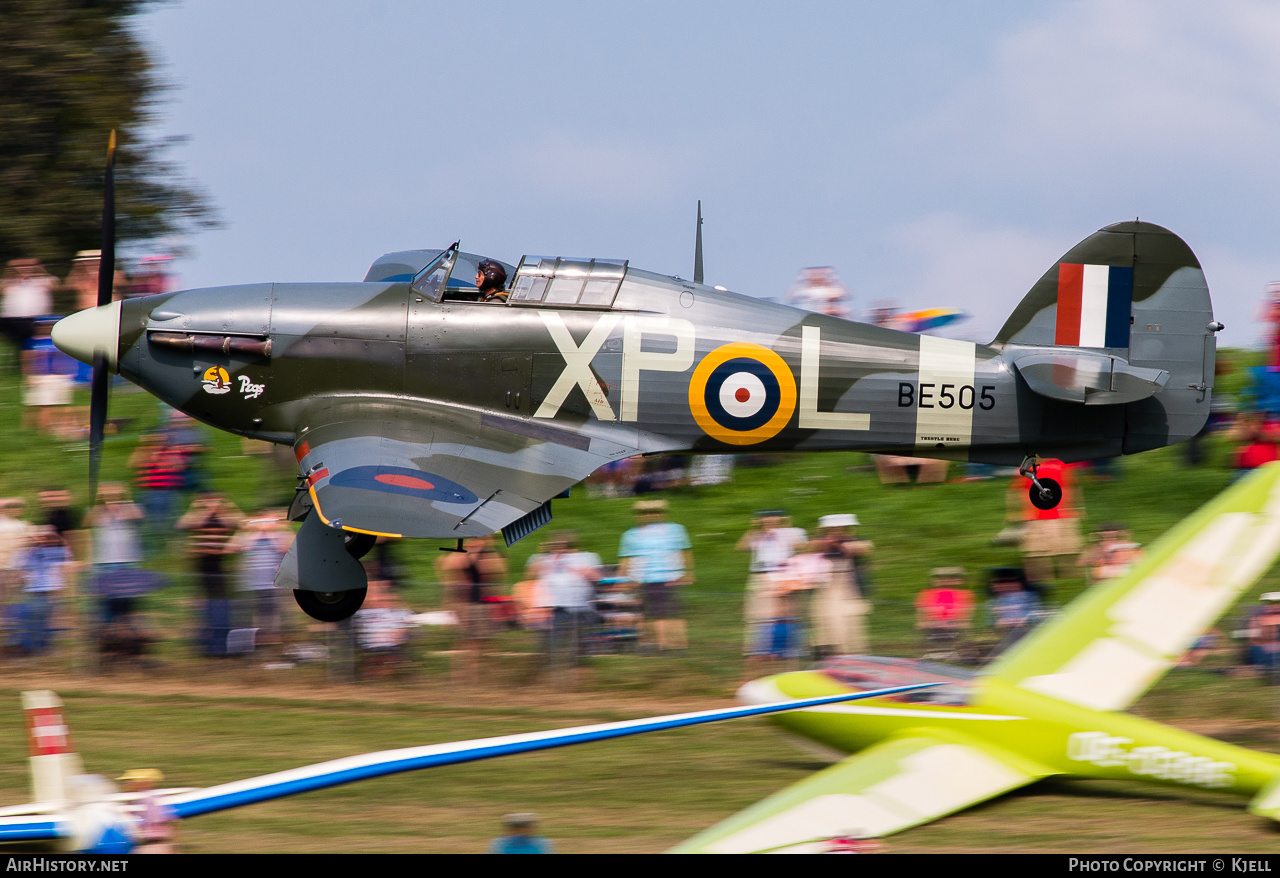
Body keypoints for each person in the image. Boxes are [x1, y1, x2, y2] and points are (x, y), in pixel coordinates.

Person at [618, 498, 692, 651]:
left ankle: (669, 644)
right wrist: (623, 578)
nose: (649, 515)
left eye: (654, 512)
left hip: (668, 577)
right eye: (644, 513)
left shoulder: (676, 529)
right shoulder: (630, 534)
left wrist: (688, 572)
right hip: (640, 578)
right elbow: (626, 558)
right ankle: (648, 643)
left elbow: (685, 551)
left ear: (661, 513)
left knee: (668, 612)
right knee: (641, 612)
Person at [175, 492, 242, 656]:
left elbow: (240, 522)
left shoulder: (223, 517)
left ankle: (222, 637)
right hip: (203, 562)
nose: (212, 505)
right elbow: (182, 524)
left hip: (219, 561)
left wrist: (225, 507)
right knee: (205, 601)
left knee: (221, 600)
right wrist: (202, 509)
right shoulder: (199, 516)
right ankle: (207, 639)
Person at [737, 511, 807, 662]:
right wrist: (753, 528)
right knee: (758, 614)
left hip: (784, 575)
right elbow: (741, 546)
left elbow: (802, 546)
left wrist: (787, 527)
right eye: (765, 517)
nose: (769, 519)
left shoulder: (791, 533)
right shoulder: (756, 534)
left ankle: (785, 650)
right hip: (760, 575)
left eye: (774, 516)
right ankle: (758, 649)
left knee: (785, 614)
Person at [436, 534, 507, 683]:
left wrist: (487, 549)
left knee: (480, 642)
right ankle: (458, 676)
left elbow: (495, 570)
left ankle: (476, 675)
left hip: (483, 604)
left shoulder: (490, 554)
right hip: (465, 604)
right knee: (463, 640)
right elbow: (447, 565)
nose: (478, 542)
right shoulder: (462, 553)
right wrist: (467, 552)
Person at [808, 514, 874, 657]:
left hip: (848, 591)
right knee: (823, 622)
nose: (837, 531)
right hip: (825, 591)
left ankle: (851, 654)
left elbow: (864, 548)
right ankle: (826, 654)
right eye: (832, 528)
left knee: (849, 626)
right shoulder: (820, 543)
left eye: (840, 528)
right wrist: (826, 540)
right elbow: (811, 547)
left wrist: (839, 543)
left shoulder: (856, 542)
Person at [118, 768, 177, 853]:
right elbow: (173, 821)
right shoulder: (159, 797)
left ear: (143, 783)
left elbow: (138, 822)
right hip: (160, 842)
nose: (126, 784)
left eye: (130, 781)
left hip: (151, 842)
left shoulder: (144, 800)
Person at [915, 567, 975, 647]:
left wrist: (961, 622)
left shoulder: (966, 594)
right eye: (940, 578)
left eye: (951, 578)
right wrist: (922, 621)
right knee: (931, 628)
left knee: (953, 627)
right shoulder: (925, 593)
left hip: (954, 623)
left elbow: (967, 612)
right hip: (933, 623)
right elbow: (920, 610)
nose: (945, 581)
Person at [488, 812, 553, 854]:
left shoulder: (541, 844)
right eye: (516, 827)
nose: (521, 831)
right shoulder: (499, 844)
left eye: (524, 827)